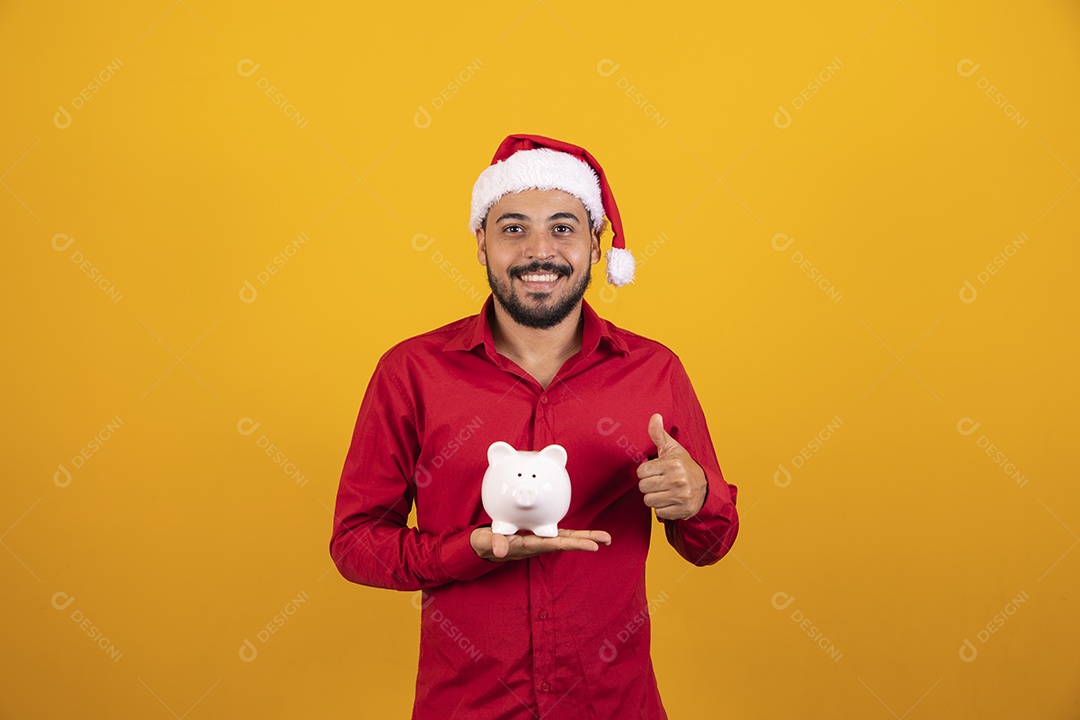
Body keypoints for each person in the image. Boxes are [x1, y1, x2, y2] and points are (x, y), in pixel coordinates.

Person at [330, 134, 739, 719]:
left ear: (597, 245)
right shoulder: (412, 372)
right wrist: (466, 550)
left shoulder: (654, 372)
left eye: (564, 228)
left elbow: (711, 545)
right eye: (514, 228)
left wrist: (697, 496)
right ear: (481, 244)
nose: (539, 252)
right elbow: (355, 544)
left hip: (613, 706)